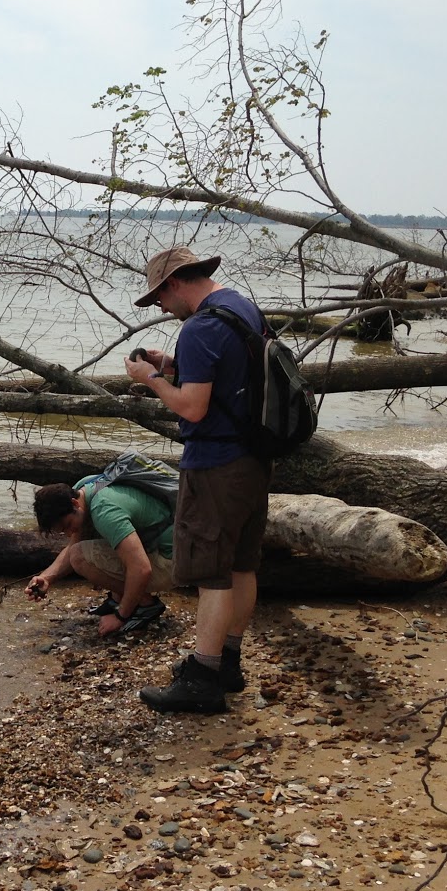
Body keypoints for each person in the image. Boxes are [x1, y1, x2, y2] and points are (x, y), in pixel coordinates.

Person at [123, 246, 271, 713]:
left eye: (159, 299)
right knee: (242, 563)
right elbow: (228, 377)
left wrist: (151, 379)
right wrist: (170, 364)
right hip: (253, 457)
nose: (161, 309)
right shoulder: (242, 309)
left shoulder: (201, 327)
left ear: (174, 283)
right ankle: (228, 661)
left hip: (215, 463)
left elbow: (192, 407)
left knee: (210, 571)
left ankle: (201, 678)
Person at [25, 475, 173, 638]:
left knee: (80, 557)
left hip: (172, 561)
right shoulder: (84, 488)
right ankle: (119, 599)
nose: (68, 533)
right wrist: (46, 577)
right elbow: (73, 546)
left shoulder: (104, 510)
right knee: (82, 548)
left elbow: (142, 569)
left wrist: (120, 616)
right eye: (62, 531)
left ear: (74, 504)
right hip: (164, 543)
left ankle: (145, 605)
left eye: (67, 526)